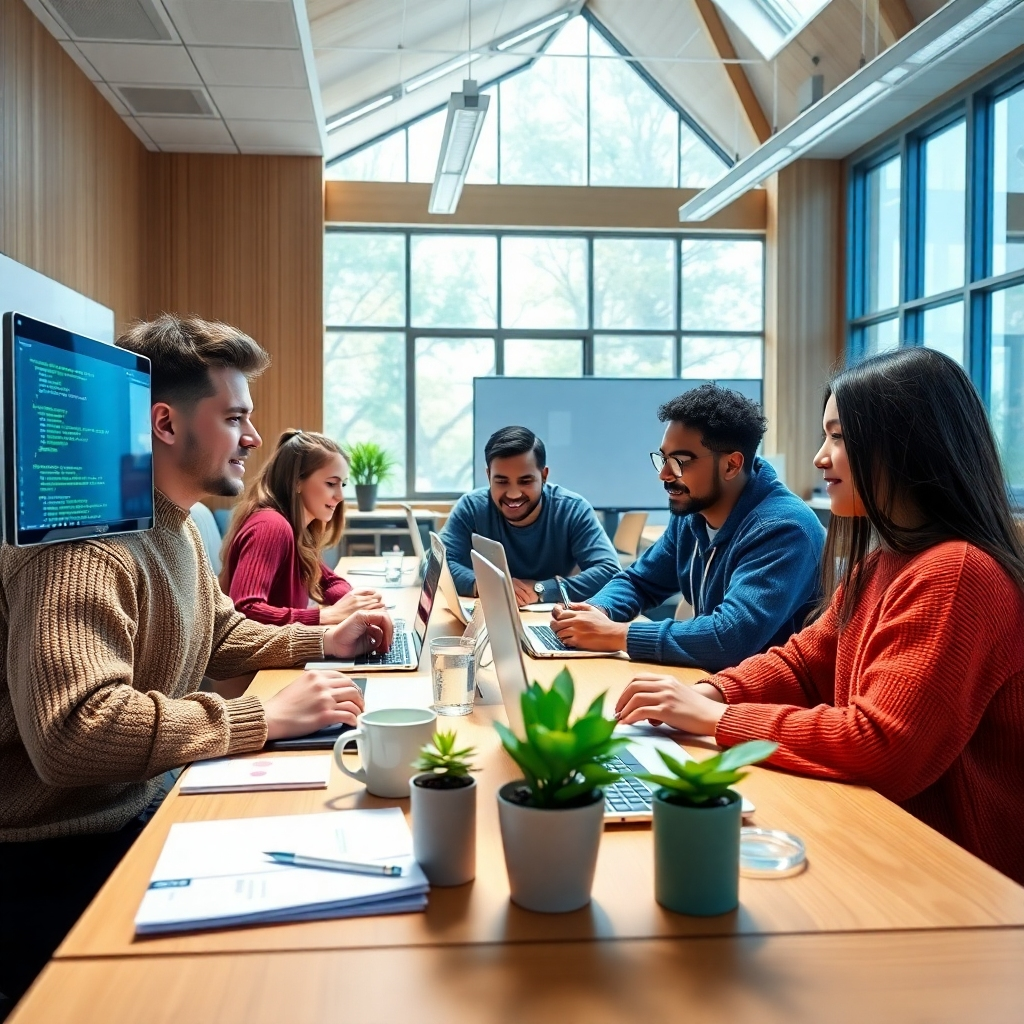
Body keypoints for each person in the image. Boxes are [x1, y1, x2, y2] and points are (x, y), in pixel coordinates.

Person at [0, 315, 392, 1006]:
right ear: (166, 423)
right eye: (236, 416)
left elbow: (219, 632)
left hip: (134, 805)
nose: (254, 437)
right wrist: (259, 719)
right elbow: (74, 734)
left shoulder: (172, 523)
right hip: (52, 855)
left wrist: (321, 642)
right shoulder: (84, 541)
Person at [615, 349, 1024, 885]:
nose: (819, 458)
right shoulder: (886, 561)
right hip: (886, 839)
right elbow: (805, 663)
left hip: (954, 878)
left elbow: (882, 745)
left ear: (905, 446)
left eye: (838, 437)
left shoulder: (957, 574)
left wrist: (716, 720)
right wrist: (714, 693)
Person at [551, 385, 825, 670]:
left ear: (731, 465)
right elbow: (640, 582)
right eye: (663, 459)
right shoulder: (692, 514)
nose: (664, 475)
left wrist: (616, 634)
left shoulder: (785, 530)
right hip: (714, 688)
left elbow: (730, 638)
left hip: (771, 706)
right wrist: (597, 610)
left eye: (680, 462)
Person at [220, 429, 385, 626]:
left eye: (343, 485)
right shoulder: (271, 525)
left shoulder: (296, 528)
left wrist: (357, 603)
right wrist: (325, 616)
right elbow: (245, 609)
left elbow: (328, 581)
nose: (340, 496)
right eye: (331, 483)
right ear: (297, 481)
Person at [440, 425, 620, 606]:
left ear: (544, 476)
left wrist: (542, 589)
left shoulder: (572, 509)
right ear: (489, 476)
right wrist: (482, 585)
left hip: (552, 620)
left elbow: (609, 570)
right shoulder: (472, 507)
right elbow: (434, 564)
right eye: (501, 481)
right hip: (487, 615)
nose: (513, 494)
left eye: (525, 481)